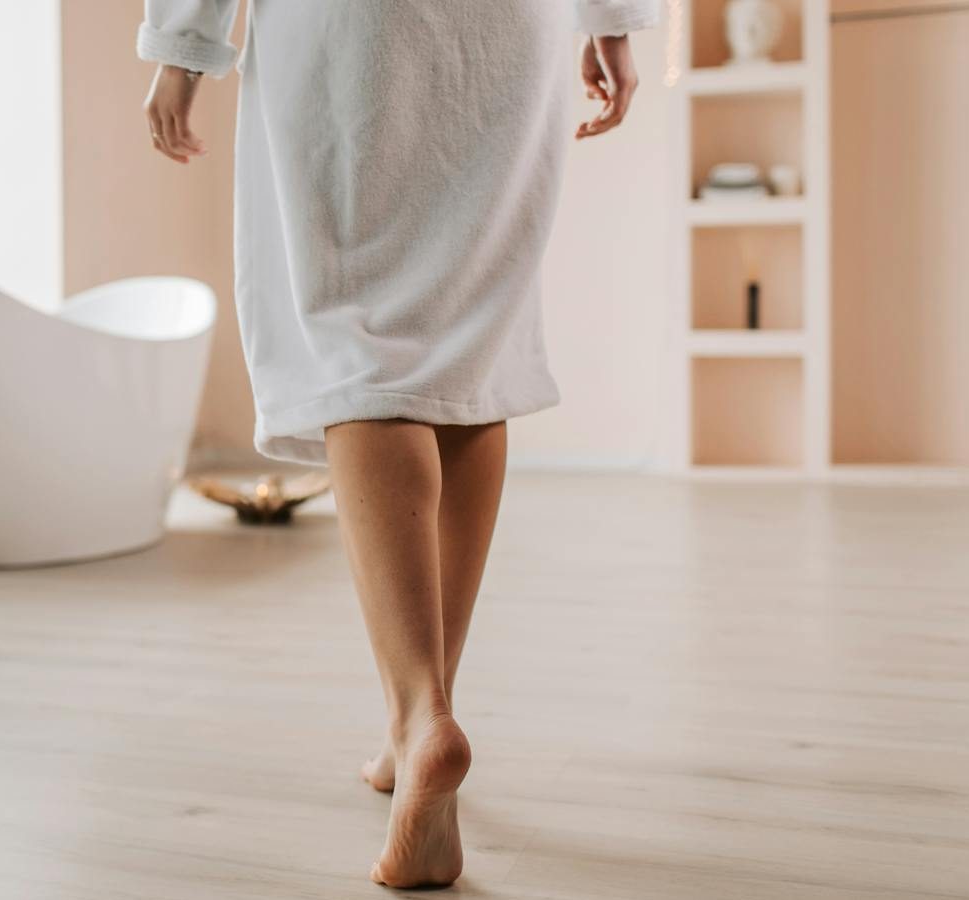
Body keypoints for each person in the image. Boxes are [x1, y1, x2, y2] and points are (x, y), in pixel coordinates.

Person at [138, 0, 659, 888]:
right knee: (468, 344)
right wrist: (612, 20)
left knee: (362, 335)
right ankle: (416, 720)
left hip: (349, 29)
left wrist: (184, 48)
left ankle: (421, 717)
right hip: (512, 29)